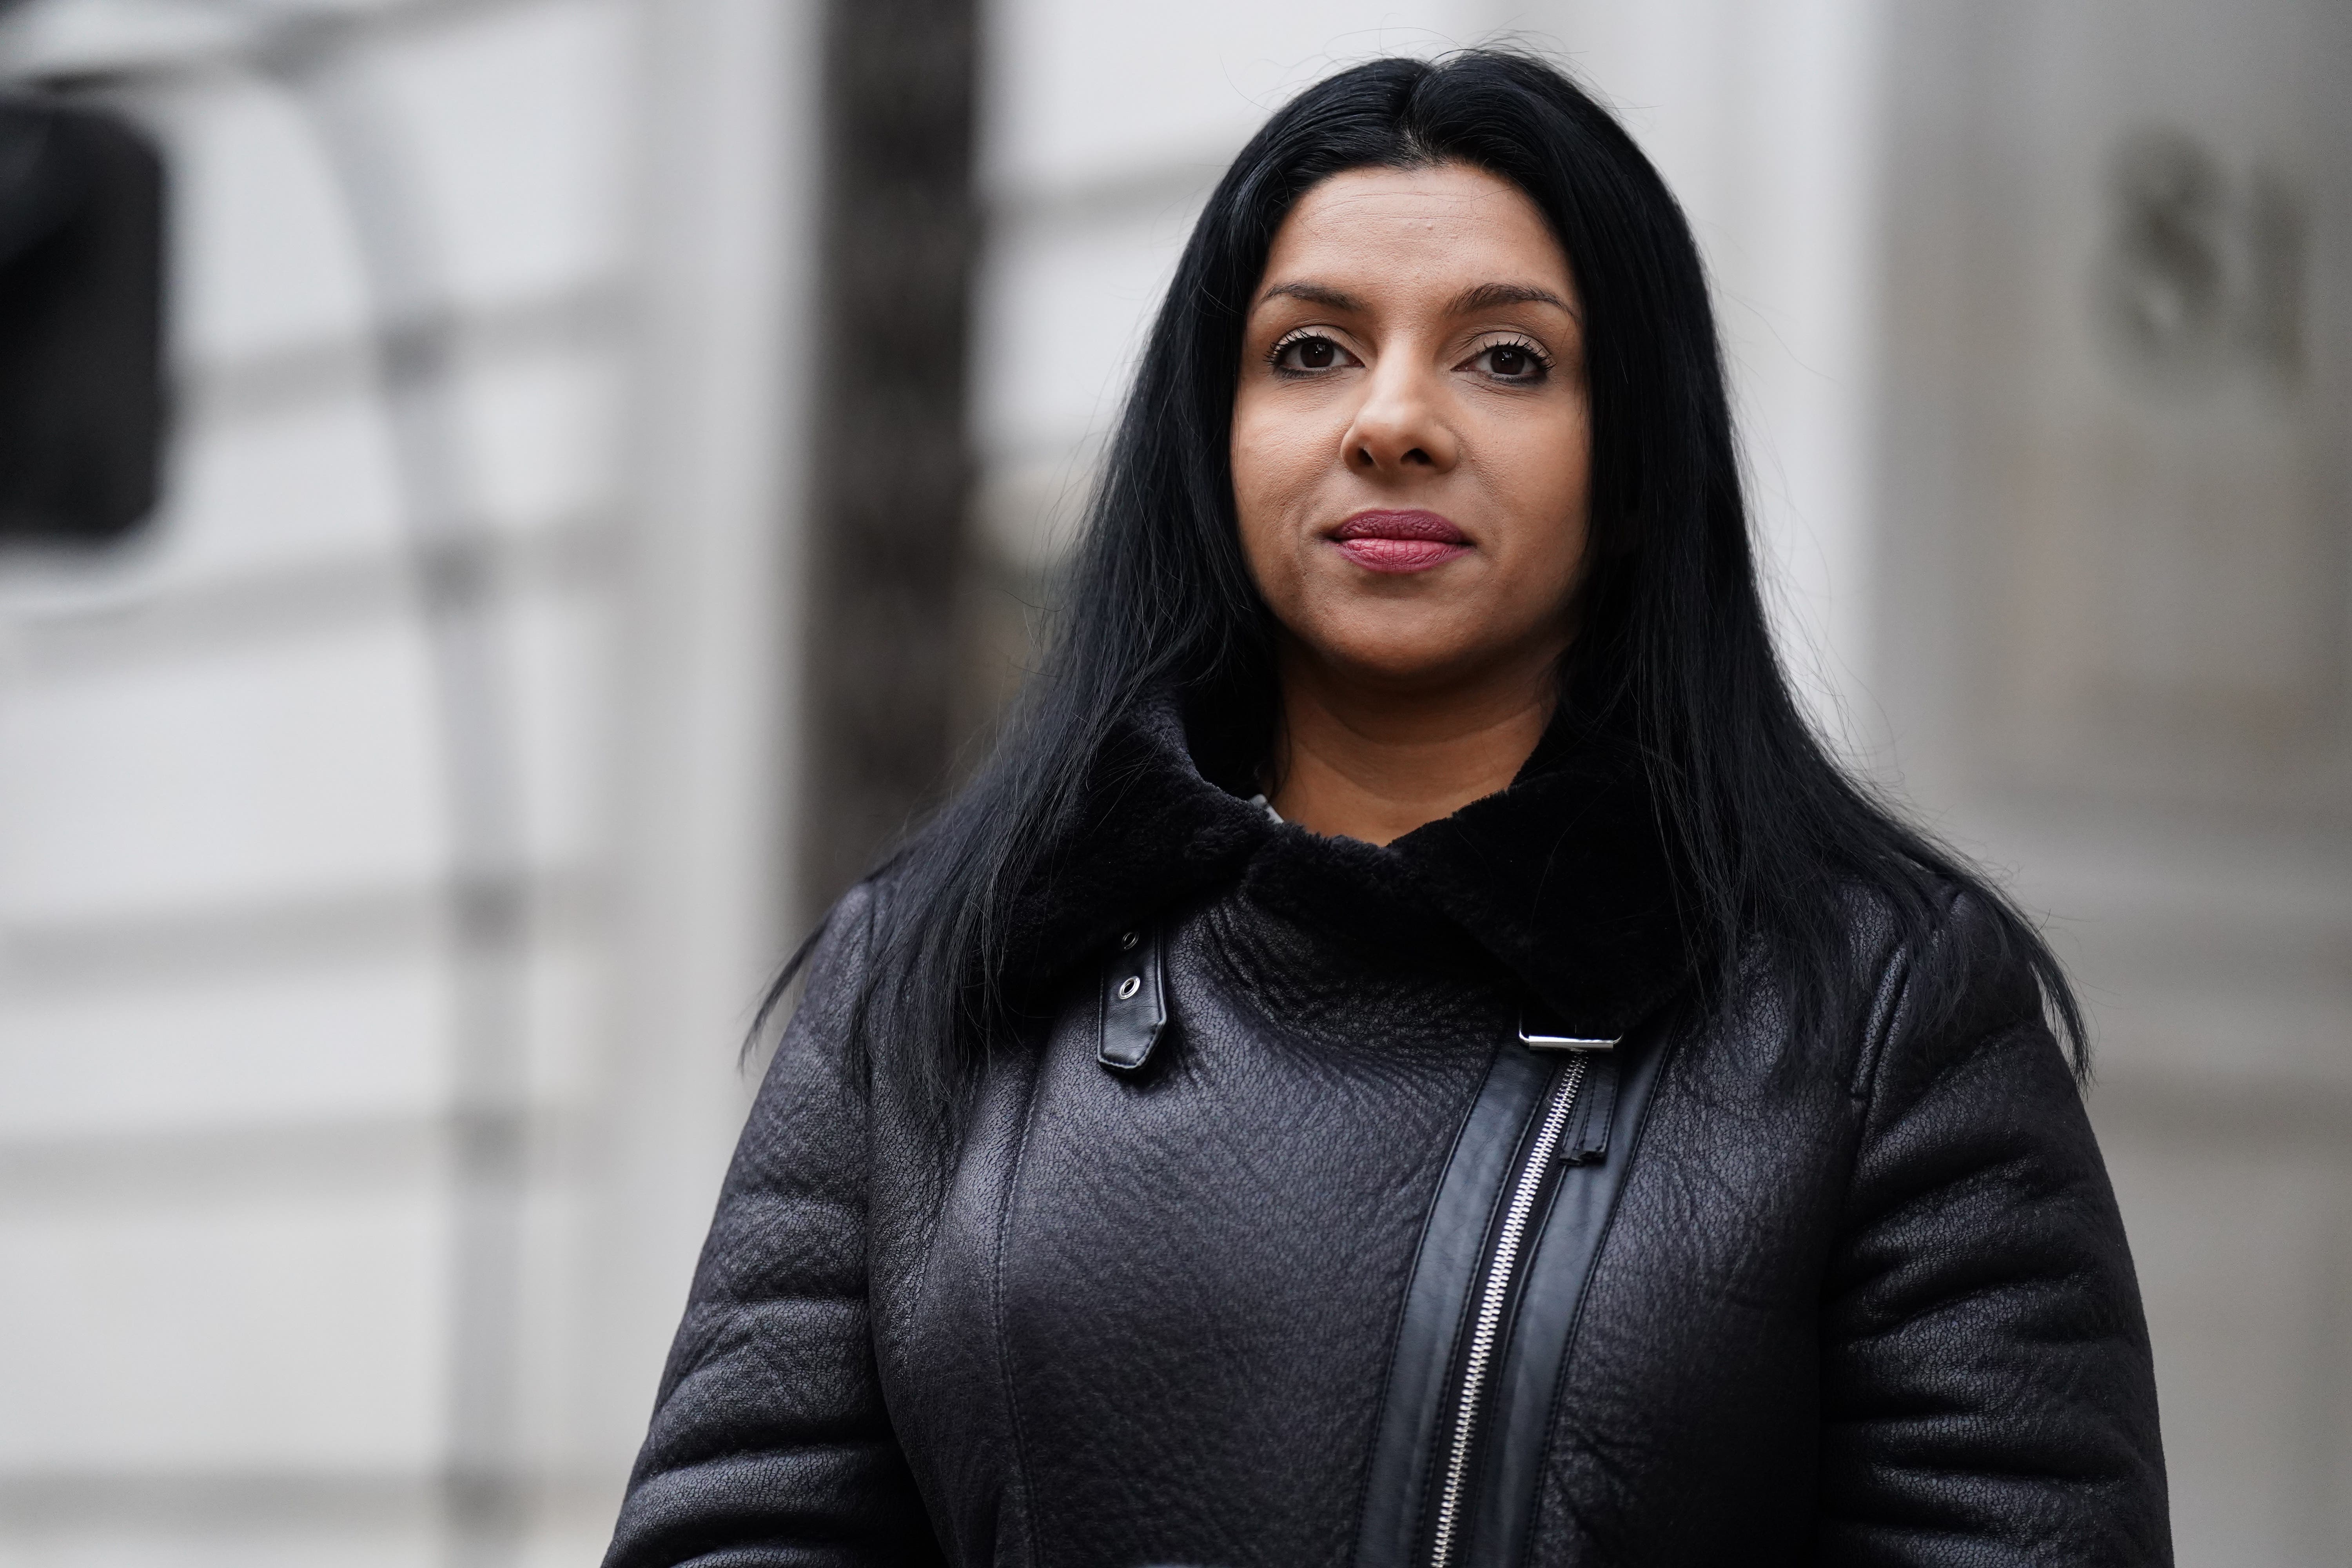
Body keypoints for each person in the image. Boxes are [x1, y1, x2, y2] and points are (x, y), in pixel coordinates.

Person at [603, 50, 2169, 1568]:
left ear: (1632, 466)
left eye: (1507, 358)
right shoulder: (944, 964)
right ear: (1212, 448)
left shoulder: (1877, 1008)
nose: (1394, 421)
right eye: (1310, 351)